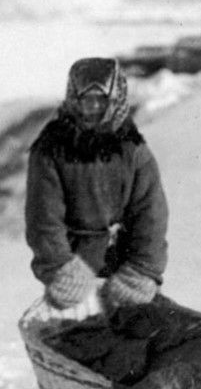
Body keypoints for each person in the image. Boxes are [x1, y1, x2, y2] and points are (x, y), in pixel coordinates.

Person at [25, 57, 168, 310]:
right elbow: (44, 219)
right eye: (85, 100)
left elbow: (150, 215)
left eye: (100, 101)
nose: (92, 108)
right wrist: (61, 268)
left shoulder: (133, 151)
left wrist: (141, 271)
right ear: (73, 100)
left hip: (125, 269)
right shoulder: (51, 150)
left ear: (114, 101)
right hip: (73, 272)